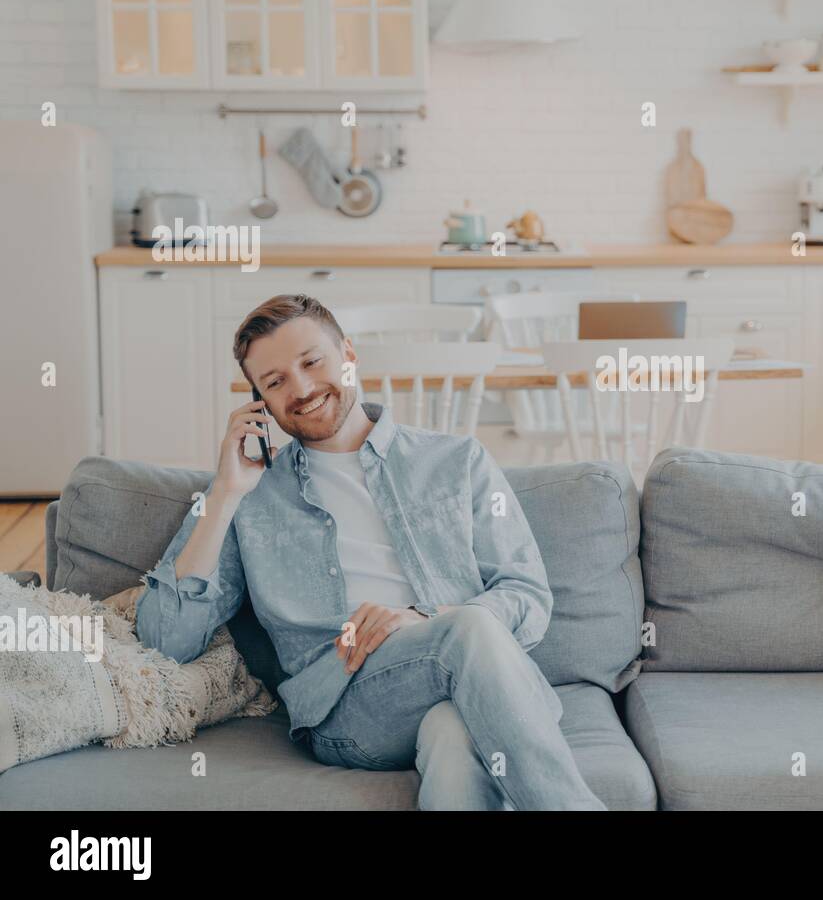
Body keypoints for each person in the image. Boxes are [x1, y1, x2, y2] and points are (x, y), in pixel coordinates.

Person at [135, 294, 605, 811]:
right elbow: (165, 640)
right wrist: (224, 494)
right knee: (468, 630)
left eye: (312, 362)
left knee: (454, 734)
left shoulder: (456, 460)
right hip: (350, 711)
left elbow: (527, 598)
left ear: (349, 354)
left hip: (471, 685)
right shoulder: (249, 496)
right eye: (275, 382)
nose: (303, 388)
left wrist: (425, 619)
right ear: (259, 402)